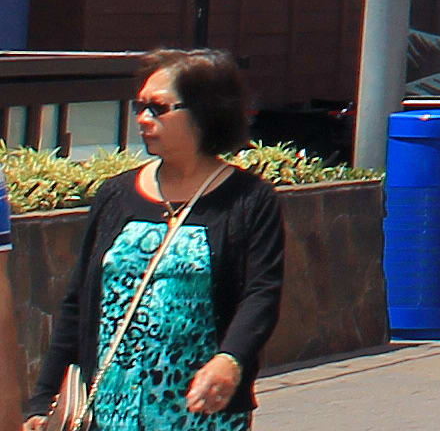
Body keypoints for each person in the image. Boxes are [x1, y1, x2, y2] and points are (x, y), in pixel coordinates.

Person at [22, 48, 283, 431]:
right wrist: (43, 400)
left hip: (201, 414)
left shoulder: (248, 200)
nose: (143, 119)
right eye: (139, 107)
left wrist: (231, 359)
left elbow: (261, 293)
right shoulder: (115, 195)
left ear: (204, 111)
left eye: (158, 108)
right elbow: (78, 300)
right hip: (109, 413)